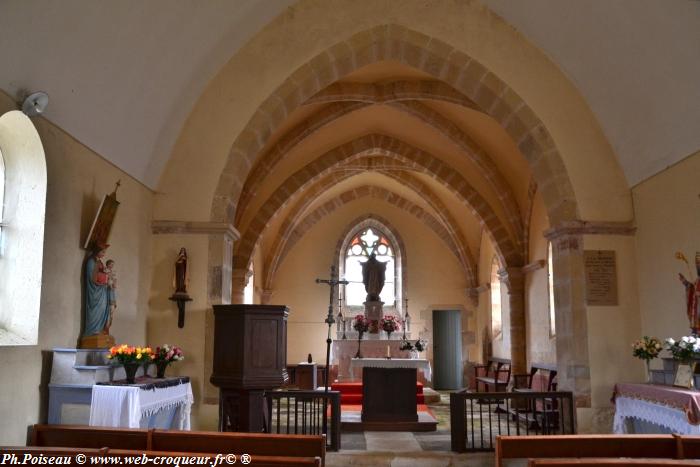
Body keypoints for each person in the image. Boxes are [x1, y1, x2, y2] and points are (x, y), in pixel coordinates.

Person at [84, 244, 111, 337]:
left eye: (104, 252)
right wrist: (104, 278)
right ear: (97, 251)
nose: (104, 254)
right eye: (102, 251)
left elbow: (101, 272)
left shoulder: (99, 262)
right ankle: (92, 331)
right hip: (95, 291)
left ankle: (99, 329)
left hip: (102, 290)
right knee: (95, 310)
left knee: (103, 308)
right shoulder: (91, 262)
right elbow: (92, 277)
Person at [679, 252, 700, 335]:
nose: (698, 266)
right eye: (697, 265)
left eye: (699, 264)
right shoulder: (696, 281)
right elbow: (691, 289)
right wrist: (686, 283)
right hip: (696, 315)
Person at [104, 259, 117, 333]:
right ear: (107, 264)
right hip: (107, 289)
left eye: (113, 265)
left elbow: (115, 280)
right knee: (108, 308)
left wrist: (114, 283)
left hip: (111, 290)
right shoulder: (105, 271)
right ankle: (106, 325)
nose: (112, 266)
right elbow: (105, 279)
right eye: (111, 264)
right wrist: (109, 282)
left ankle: (108, 325)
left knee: (112, 308)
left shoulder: (113, 272)